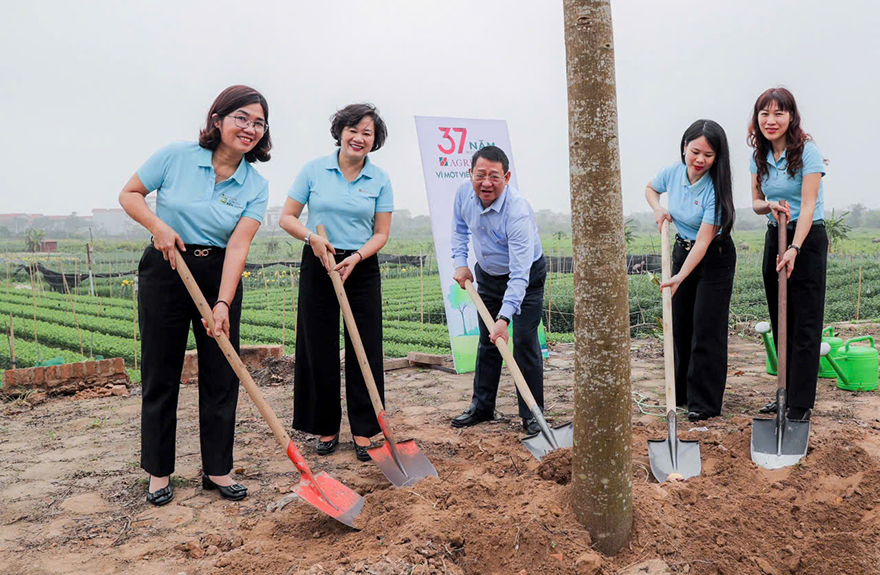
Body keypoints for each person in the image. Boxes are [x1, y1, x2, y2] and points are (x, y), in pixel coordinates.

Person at [119, 85, 271, 505]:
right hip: (166, 268)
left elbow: (239, 245)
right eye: (241, 117)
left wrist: (223, 302)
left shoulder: (255, 185)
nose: (250, 128)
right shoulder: (176, 155)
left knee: (222, 375)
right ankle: (158, 472)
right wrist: (158, 226)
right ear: (217, 119)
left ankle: (217, 470)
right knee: (160, 371)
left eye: (258, 122)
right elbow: (130, 194)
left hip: (217, 273)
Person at [279, 103, 393, 462]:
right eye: (353, 130)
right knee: (318, 346)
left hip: (360, 265)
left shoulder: (380, 179)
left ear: (375, 141)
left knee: (365, 346)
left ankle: (364, 429)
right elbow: (287, 217)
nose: (358, 138)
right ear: (340, 131)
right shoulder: (314, 170)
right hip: (319, 260)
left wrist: (358, 256)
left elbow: (381, 233)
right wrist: (311, 238)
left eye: (367, 133)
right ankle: (325, 427)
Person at [450, 145, 546, 435]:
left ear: (507, 177)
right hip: (488, 274)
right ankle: (482, 407)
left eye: (494, 176)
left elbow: (520, 275)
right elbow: (458, 229)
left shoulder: (517, 212)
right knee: (487, 341)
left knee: (525, 341)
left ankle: (531, 413)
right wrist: (460, 262)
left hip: (525, 277)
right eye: (480, 175)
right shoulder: (464, 195)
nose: (486, 183)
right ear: (470, 174)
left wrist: (503, 319)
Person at [645, 119, 737, 421]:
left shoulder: (715, 189)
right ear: (685, 146)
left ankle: (705, 403)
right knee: (680, 326)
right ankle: (681, 394)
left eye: (708, 156)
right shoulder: (672, 173)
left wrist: (679, 277)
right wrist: (658, 209)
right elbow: (650, 189)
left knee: (705, 330)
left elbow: (704, 240)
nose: (700, 160)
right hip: (681, 249)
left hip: (713, 257)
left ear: (717, 158)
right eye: (695, 151)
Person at [749, 87, 827, 422]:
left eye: (779, 113)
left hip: (806, 240)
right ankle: (784, 389)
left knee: (805, 322)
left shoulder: (807, 151)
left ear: (791, 117)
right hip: (774, 235)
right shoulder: (759, 156)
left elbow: (808, 205)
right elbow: (755, 202)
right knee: (782, 319)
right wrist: (768, 204)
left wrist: (795, 247)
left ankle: (800, 403)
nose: (771, 120)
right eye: (764, 114)